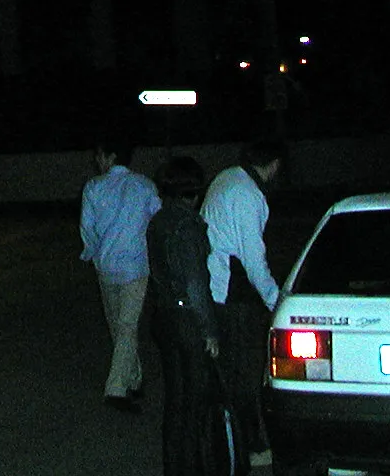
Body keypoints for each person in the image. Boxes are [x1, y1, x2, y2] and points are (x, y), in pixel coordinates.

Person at [203, 139, 286, 472]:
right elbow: (254, 259)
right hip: (232, 293)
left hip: (217, 289)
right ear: (274, 163)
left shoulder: (227, 178)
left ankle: (230, 441)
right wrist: (277, 303)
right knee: (244, 374)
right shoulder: (248, 194)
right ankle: (250, 445)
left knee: (229, 371)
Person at [149, 156, 222, 476]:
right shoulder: (187, 226)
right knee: (195, 398)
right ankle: (194, 466)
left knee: (176, 399)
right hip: (185, 318)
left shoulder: (159, 221)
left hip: (163, 313)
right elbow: (196, 284)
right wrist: (210, 331)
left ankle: (175, 466)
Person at [80, 137, 160, 411]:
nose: (97, 161)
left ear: (110, 156)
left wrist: (91, 253)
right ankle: (133, 377)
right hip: (135, 268)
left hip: (106, 266)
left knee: (120, 326)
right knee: (125, 327)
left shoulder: (93, 188)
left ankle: (117, 387)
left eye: (99, 155)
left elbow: (87, 229)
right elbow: (157, 221)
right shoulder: (144, 186)